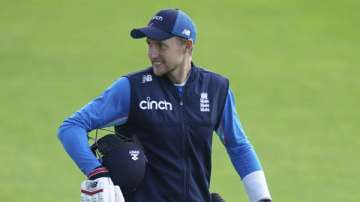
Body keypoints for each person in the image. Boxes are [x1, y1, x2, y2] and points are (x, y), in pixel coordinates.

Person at [58, 8, 272, 202]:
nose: (152, 54)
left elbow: (238, 146)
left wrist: (262, 198)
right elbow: (71, 127)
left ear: (187, 46)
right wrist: (96, 173)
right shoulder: (133, 88)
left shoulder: (215, 89)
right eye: (149, 44)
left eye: (161, 46)